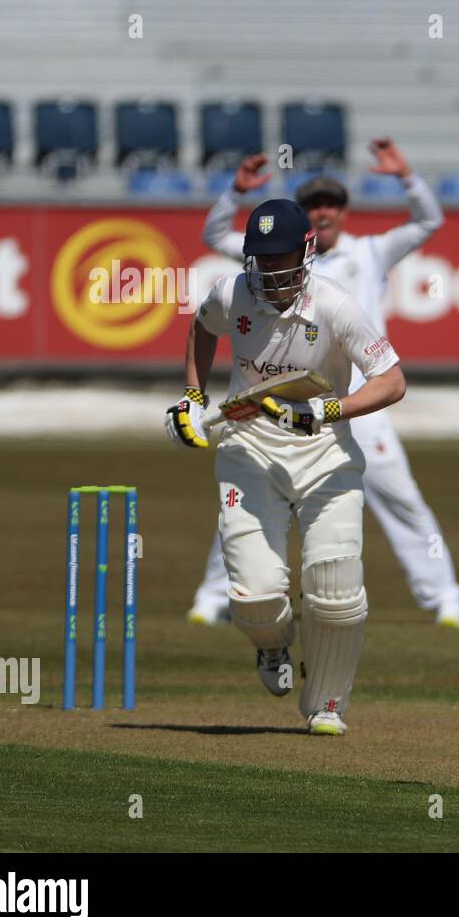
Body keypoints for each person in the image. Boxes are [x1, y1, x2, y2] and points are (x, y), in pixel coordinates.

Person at [187, 140, 459, 630]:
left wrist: (406, 177)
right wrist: (234, 192)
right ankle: (216, 597)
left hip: (359, 402)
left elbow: (428, 222)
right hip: (276, 404)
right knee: (246, 501)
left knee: (401, 498)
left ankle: (445, 597)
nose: (323, 211)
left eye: (331, 204)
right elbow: (215, 235)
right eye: (314, 204)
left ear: (342, 211)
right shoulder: (271, 259)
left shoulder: (371, 252)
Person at [165, 198, 406, 735]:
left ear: (307, 250)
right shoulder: (232, 293)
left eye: (282, 261)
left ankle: (327, 703)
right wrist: (190, 398)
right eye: (263, 261)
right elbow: (203, 329)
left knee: (336, 587)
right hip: (248, 449)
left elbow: (392, 380)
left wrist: (323, 411)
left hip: (326, 456)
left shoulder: (336, 306)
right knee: (254, 598)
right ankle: (273, 646)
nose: (272, 274)